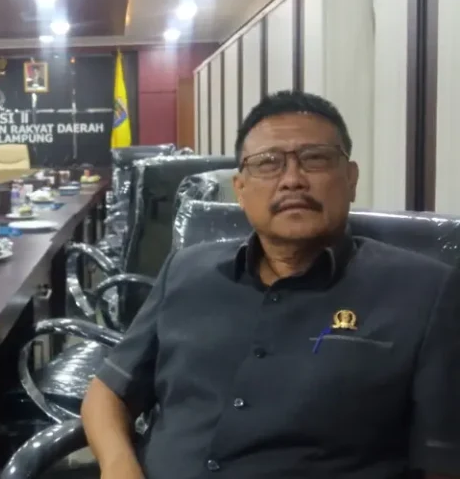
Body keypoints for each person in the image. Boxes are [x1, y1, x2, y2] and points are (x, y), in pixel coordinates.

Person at [82, 90, 460, 479]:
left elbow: (443, 461)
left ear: (351, 179)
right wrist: (118, 465)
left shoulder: (426, 293)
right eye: (268, 164)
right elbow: (109, 392)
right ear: (241, 190)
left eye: (315, 159)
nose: (292, 180)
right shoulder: (186, 269)